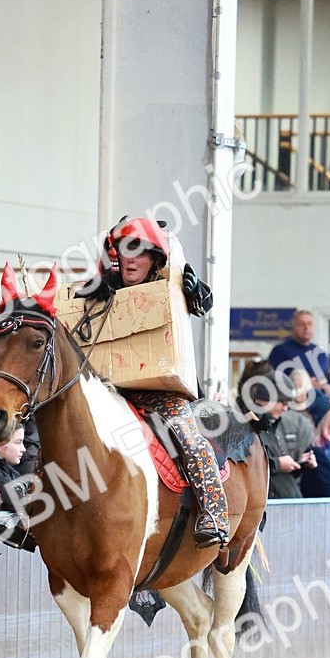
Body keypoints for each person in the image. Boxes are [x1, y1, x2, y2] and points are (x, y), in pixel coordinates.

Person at [76, 215, 228, 547]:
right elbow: (71, 311)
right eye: (126, 251)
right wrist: (89, 292)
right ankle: (30, 516)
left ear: (155, 259)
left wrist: (195, 290)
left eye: (140, 252)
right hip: (110, 390)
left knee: (190, 439)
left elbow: (203, 303)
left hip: (161, 392)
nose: (131, 259)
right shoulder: (105, 283)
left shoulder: (171, 285)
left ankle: (214, 515)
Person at [236, 360, 315, 499]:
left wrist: (298, 464)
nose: (285, 408)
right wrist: (278, 464)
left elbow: (280, 477)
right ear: (265, 398)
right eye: (282, 402)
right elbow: (244, 465)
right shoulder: (245, 425)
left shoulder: (271, 424)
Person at [269, 310, 330, 424]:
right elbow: (273, 383)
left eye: (309, 324)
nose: (306, 328)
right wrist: (306, 384)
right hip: (291, 410)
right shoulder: (280, 352)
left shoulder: (320, 354)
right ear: (293, 327)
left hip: (317, 411)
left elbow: (327, 382)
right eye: (301, 324)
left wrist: (326, 387)